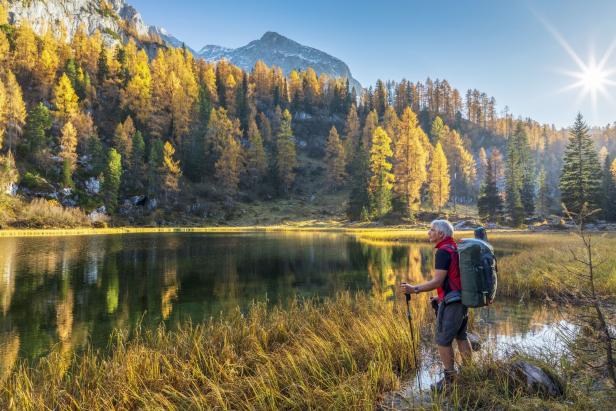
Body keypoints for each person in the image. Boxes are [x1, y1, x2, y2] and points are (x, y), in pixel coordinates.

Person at [400, 219, 472, 391]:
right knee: (461, 336)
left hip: (453, 303)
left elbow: (438, 281)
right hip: (462, 299)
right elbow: (452, 279)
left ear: (441, 234)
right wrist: (439, 298)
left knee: (442, 341)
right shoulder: (454, 248)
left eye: (431, 230)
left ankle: (450, 381)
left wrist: (414, 289)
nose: (428, 233)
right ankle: (470, 372)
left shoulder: (443, 252)